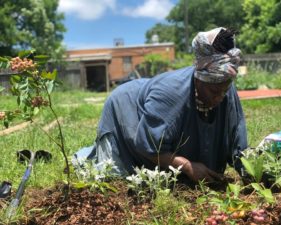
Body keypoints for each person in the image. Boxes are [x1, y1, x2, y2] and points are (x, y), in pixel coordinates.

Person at [73, 27, 248, 183]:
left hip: (154, 100)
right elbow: (147, 146)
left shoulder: (223, 87)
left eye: (224, 90)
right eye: (214, 92)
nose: (219, 97)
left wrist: (252, 169)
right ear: (200, 80)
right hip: (126, 107)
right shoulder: (171, 93)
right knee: (115, 175)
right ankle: (86, 157)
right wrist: (187, 165)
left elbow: (237, 139)